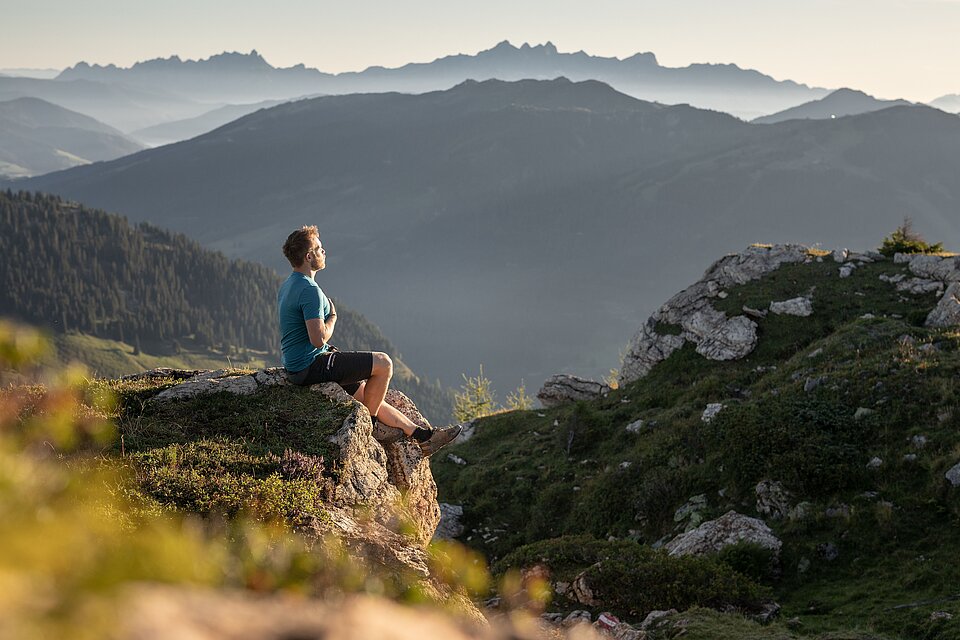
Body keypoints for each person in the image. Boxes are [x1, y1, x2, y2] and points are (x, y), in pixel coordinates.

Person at [278, 225, 461, 455]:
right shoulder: (309, 290)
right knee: (383, 364)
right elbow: (317, 339)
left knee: (367, 394)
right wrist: (333, 318)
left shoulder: (289, 284)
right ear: (309, 256)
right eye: (319, 248)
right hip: (309, 365)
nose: (324, 252)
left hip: (298, 365)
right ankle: (369, 426)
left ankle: (422, 436)